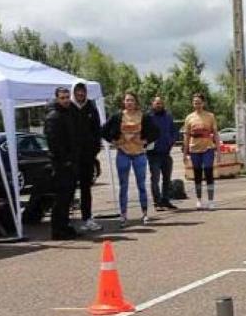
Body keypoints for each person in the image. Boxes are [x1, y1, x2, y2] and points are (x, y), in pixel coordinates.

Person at [101, 92, 159, 227]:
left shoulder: (143, 116)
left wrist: (145, 141)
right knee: (123, 186)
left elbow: (156, 132)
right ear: (123, 102)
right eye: (127, 100)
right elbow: (103, 130)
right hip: (123, 154)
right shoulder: (117, 116)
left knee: (141, 185)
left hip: (139, 154)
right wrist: (113, 141)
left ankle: (145, 214)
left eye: (132, 100)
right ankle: (123, 216)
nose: (129, 102)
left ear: (136, 102)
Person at [44, 87, 79, 240]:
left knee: (68, 198)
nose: (65, 100)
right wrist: (65, 161)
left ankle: (65, 226)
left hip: (70, 163)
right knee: (61, 199)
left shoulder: (69, 114)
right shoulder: (53, 116)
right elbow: (54, 143)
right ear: (57, 99)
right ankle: (57, 229)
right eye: (62, 98)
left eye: (67, 97)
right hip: (61, 165)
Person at [69, 82, 103, 232]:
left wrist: (94, 149)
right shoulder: (68, 108)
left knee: (86, 189)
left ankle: (87, 218)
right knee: (69, 188)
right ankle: (66, 221)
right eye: (78, 91)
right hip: (71, 158)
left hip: (87, 157)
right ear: (74, 92)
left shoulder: (91, 107)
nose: (81, 94)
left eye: (83, 91)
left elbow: (97, 130)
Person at [182, 93, 219, 210]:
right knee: (197, 175)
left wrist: (218, 150)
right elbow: (186, 136)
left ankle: (211, 201)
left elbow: (216, 134)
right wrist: (185, 153)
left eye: (199, 102)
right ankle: (199, 200)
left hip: (208, 148)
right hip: (194, 149)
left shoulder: (210, 116)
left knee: (208, 172)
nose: (197, 104)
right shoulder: (189, 118)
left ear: (203, 103)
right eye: (195, 102)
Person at [147, 96, 179, 211]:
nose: (159, 105)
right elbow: (144, 133)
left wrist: (171, 141)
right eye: (156, 103)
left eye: (160, 103)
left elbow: (174, 131)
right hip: (153, 154)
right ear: (152, 104)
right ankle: (157, 202)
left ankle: (166, 200)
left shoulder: (168, 117)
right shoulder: (148, 118)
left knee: (167, 179)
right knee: (155, 179)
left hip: (166, 153)